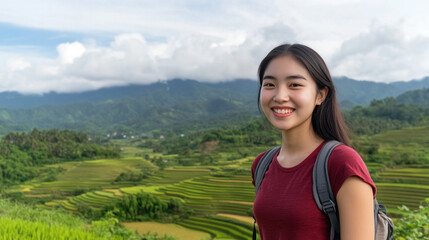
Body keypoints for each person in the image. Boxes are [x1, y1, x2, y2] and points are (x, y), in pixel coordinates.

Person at [251, 43, 376, 240]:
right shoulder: (262, 164)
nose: (279, 96)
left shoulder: (342, 163)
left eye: (294, 85)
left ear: (320, 95)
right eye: (269, 85)